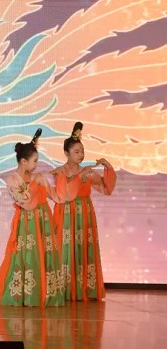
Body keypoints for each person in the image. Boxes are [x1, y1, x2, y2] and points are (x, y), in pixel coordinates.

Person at [0, 129, 66, 307]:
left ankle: (44, 293)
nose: (37, 165)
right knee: (26, 255)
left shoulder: (39, 177)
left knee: (43, 255)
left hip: (43, 219)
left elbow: (57, 197)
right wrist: (36, 183)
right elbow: (25, 201)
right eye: (34, 161)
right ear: (23, 161)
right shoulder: (13, 180)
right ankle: (26, 294)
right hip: (26, 221)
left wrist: (60, 177)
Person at [51, 121, 116, 301]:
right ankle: (64, 288)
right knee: (65, 249)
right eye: (77, 152)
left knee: (83, 249)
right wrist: (78, 177)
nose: (81, 155)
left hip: (84, 213)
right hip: (65, 213)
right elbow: (63, 194)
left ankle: (84, 288)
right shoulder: (59, 172)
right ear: (66, 153)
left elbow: (106, 188)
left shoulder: (87, 172)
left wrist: (108, 167)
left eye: (82, 151)